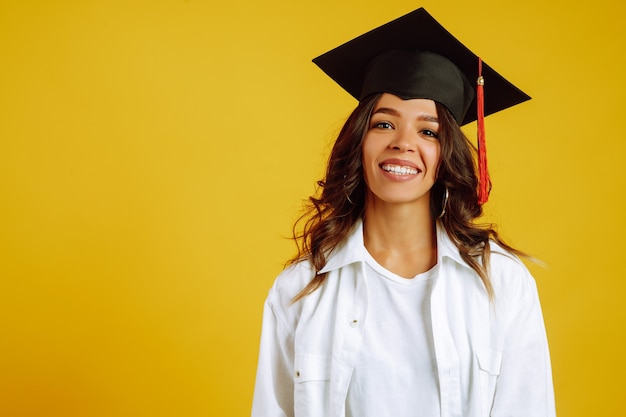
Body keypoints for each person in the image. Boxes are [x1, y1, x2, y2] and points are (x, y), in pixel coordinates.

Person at [252, 7, 556, 417]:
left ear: (445, 153)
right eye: (383, 124)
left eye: (428, 131)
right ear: (359, 142)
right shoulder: (300, 290)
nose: (403, 143)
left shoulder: (501, 283)